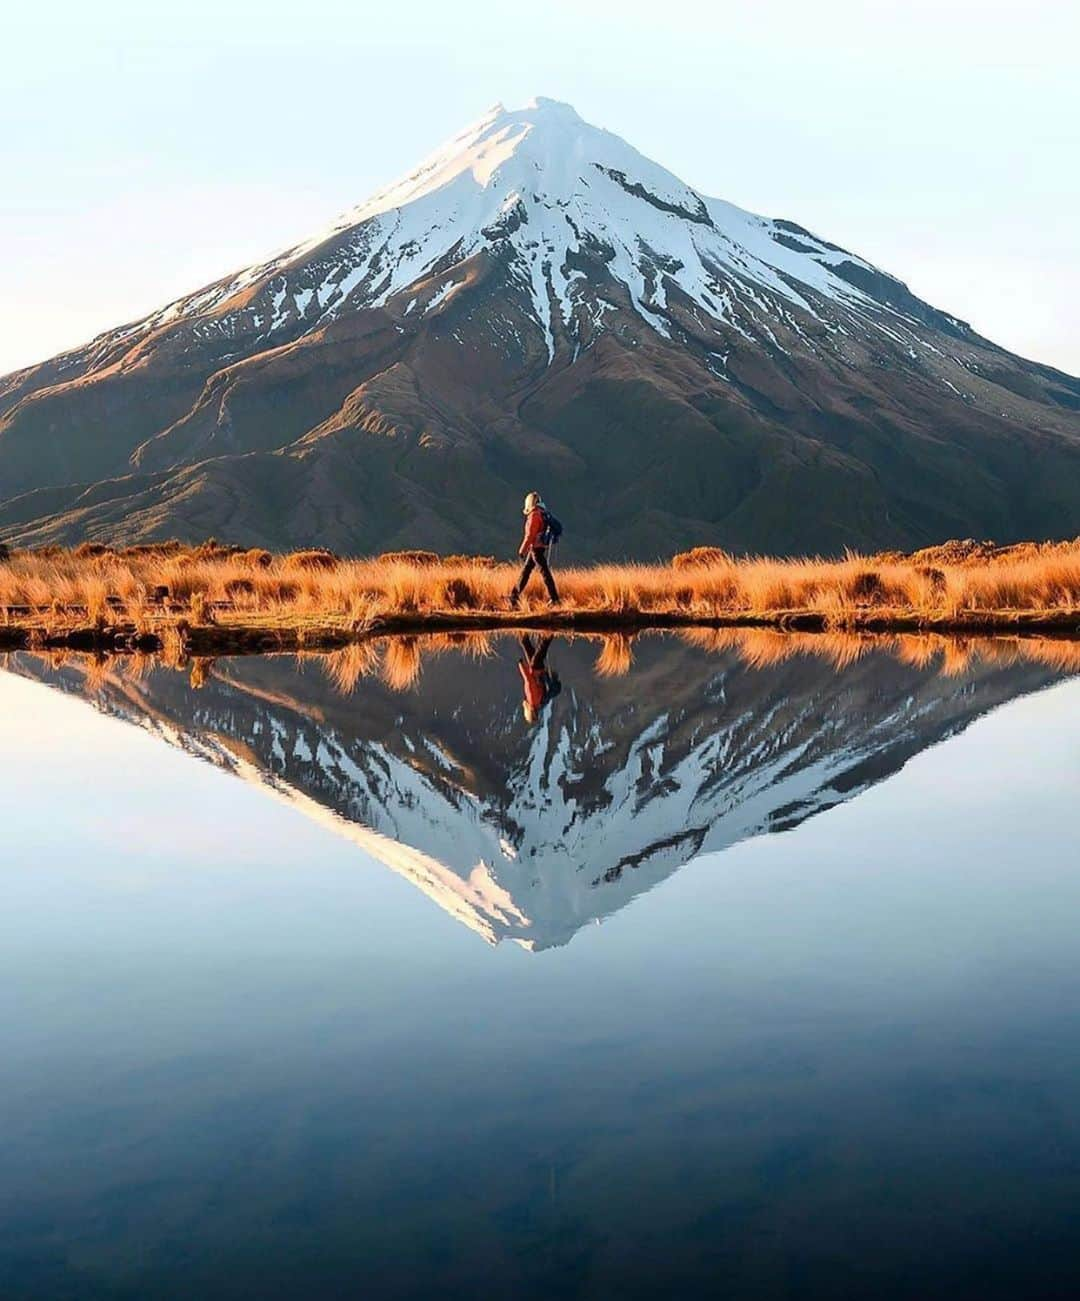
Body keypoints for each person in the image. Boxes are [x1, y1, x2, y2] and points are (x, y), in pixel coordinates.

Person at [509, 490, 559, 607]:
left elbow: (530, 535)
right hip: (538, 548)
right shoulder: (542, 513)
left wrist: (522, 550)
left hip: (536, 549)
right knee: (527, 571)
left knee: (544, 573)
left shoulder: (534, 515)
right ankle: (514, 597)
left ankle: (554, 598)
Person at [517, 634, 561, 724]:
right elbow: (529, 681)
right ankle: (550, 630)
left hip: (537, 671)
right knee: (541, 646)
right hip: (535, 669)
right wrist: (521, 665)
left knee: (528, 646)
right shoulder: (532, 700)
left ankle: (546, 632)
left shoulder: (538, 704)